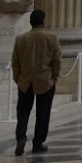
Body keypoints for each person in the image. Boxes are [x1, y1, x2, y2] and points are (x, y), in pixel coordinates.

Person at [11, 8, 62, 155]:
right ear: (43, 21)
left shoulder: (21, 39)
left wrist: (18, 79)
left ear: (31, 22)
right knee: (43, 113)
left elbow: (15, 62)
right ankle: (38, 143)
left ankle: (21, 138)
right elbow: (56, 61)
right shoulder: (51, 38)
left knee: (23, 112)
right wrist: (54, 78)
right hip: (45, 81)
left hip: (25, 81)